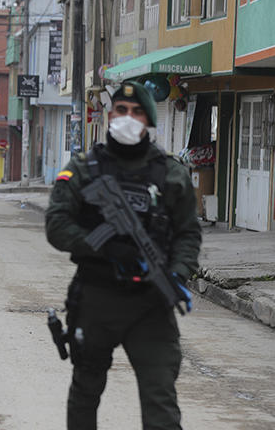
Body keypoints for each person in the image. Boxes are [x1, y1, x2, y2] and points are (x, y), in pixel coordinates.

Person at [45, 81, 201, 430]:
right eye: (121, 110)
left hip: (151, 303)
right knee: (86, 391)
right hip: (97, 298)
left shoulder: (171, 173)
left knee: (161, 399)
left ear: (149, 121)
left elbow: (188, 233)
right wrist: (103, 245)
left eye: (137, 112)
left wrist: (178, 273)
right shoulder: (85, 167)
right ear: (110, 114)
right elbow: (56, 225)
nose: (128, 118)